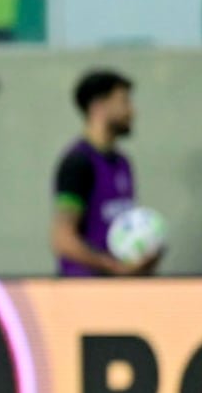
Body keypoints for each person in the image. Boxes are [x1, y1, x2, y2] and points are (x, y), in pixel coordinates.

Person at [51, 69, 159, 277]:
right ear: (99, 107)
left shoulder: (123, 163)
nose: (132, 111)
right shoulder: (78, 163)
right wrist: (114, 267)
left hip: (116, 289)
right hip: (84, 290)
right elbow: (63, 240)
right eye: (124, 102)